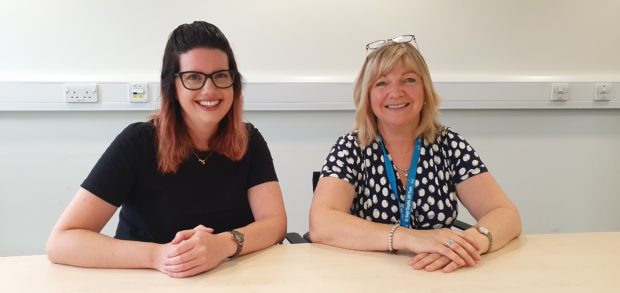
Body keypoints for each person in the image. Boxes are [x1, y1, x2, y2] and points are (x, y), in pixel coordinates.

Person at [46, 21, 287, 278]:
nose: (210, 89)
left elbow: (275, 223)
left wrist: (223, 244)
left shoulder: (249, 139)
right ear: (172, 86)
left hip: (228, 279)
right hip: (147, 281)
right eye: (193, 77)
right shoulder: (137, 142)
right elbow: (62, 241)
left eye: (221, 76)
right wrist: (158, 256)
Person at [309, 35, 521, 273]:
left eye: (408, 80)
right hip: (367, 277)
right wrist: (407, 237)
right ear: (367, 95)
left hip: (439, 276)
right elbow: (322, 223)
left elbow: (506, 214)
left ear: (425, 89)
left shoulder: (449, 145)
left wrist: (468, 244)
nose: (396, 92)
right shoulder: (351, 147)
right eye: (381, 83)